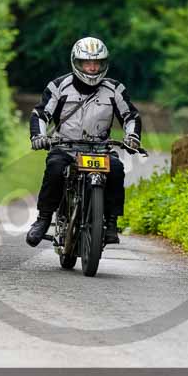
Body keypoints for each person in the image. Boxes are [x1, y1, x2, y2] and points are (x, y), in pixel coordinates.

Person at [26, 37, 142, 247]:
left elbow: (130, 116)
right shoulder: (59, 86)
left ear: (104, 64)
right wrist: (39, 136)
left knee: (116, 169)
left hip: (100, 149)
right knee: (54, 168)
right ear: (76, 63)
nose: (92, 68)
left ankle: (111, 224)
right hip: (66, 147)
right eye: (87, 63)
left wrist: (132, 137)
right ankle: (43, 220)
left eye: (97, 63)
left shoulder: (115, 89)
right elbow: (41, 114)